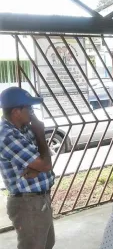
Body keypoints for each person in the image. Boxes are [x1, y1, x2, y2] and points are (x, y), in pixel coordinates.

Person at [0, 87, 55, 249]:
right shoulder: (7, 136)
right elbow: (46, 163)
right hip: (27, 203)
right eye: (29, 108)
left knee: (46, 244)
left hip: (39, 200)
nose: (32, 113)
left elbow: (46, 157)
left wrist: (38, 168)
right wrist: (40, 133)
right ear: (17, 111)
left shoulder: (23, 129)